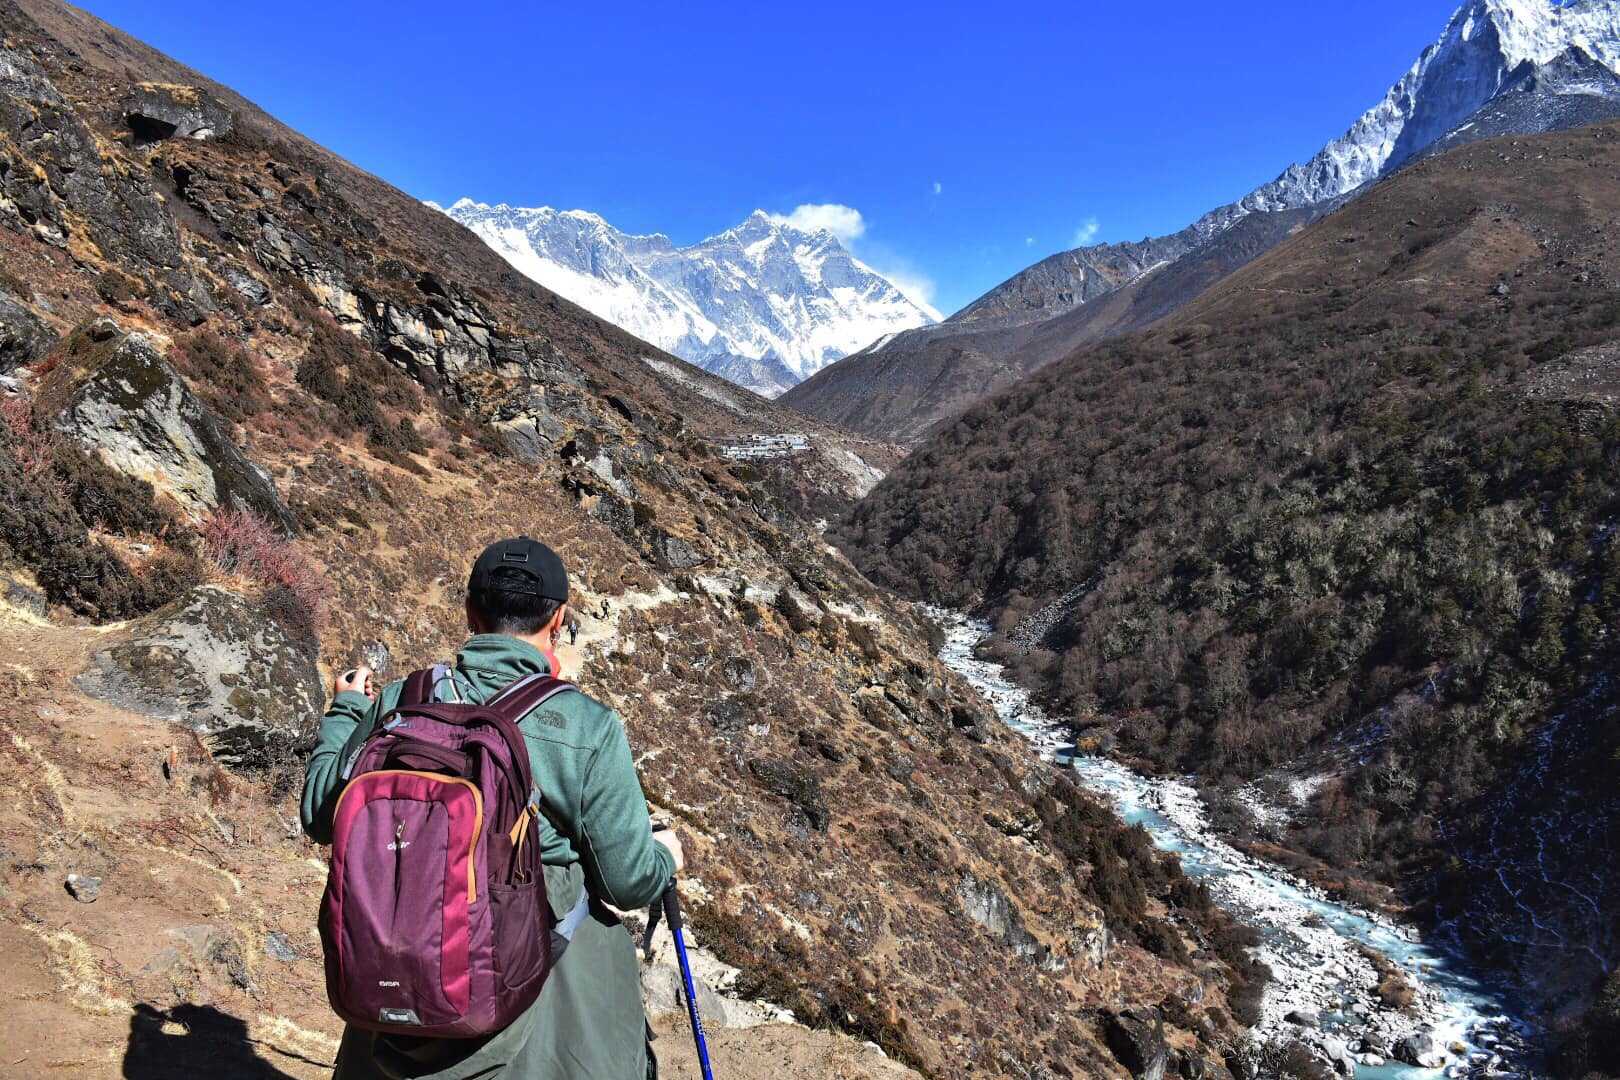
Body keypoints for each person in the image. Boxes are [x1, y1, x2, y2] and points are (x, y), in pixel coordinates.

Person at [301, 536, 683, 1079]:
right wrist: (665, 856)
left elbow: (321, 814)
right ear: (559, 619)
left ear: (469, 612)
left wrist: (345, 712)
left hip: (406, 960)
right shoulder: (587, 727)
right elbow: (625, 881)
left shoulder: (400, 702)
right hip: (532, 976)